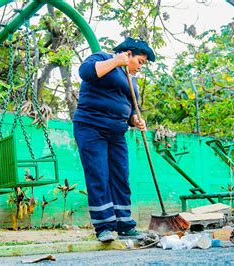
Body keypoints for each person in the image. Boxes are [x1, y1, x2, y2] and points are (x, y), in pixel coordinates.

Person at [73, 37, 155, 242]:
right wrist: (117, 61)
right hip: (91, 128)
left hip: (117, 132)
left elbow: (128, 108)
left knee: (120, 177)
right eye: (140, 62)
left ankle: (125, 224)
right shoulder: (102, 58)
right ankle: (104, 227)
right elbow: (86, 72)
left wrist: (135, 120)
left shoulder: (130, 78)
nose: (140, 68)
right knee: (99, 175)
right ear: (128, 54)